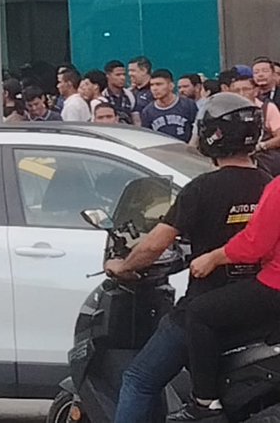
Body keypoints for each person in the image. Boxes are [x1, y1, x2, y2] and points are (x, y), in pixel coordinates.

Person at [103, 93, 270, 423]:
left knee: (139, 380)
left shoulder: (202, 188)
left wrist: (122, 266)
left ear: (212, 134)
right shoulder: (268, 184)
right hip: (259, 309)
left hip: (205, 308)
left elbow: (153, 246)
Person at [175, 172, 280, 419]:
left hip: (274, 284)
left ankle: (205, 401)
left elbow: (254, 244)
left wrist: (213, 258)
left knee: (199, 312)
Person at [141, 69, 200, 142]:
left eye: (159, 84)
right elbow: (147, 138)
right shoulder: (147, 111)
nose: (154, 88)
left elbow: (197, 131)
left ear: (171, 86)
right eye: (152, 85)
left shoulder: (188, 105)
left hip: (185, 147)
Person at [104, 60, 136, 124]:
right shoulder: (103, 96)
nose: (122, 78)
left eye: (124, 74)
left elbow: (135, 119)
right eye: (118, 75)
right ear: (108, 75)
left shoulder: (130, 95)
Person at [129, 56, 155, 125]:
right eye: (129, 71)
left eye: (133, 70)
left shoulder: (155, 90)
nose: (129, 74)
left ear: (144, 70)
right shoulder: (129, 92)